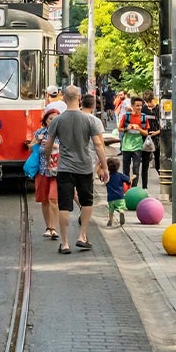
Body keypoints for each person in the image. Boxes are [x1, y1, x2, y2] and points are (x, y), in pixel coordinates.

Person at [44, 86, 108, 255]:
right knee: (87, 202)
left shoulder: (57, 120)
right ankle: (82, 236)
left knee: (64, 204)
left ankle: (64, 243)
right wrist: (105, 166)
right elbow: (98, 145)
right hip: (85, 168)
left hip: (64, 168)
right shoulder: (90, 120)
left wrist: (48, 159)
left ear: (63, 98)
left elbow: (48, 144)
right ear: (79, 98)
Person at [31, 107, 61, 239]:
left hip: (57, 170)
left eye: (56, 118)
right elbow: (30, 147)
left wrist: (55, 146)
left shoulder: (63, 133)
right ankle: (48, 227)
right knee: (44, 200)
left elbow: (68, 149)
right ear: (45, 120)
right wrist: (37, 141)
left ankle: (54, 228)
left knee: (53, 199)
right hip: (42, 170)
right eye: (50, 118)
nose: (53, 121)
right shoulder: (40, 132)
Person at [117, 97, 148, 187]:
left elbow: (146, 133)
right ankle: (126, 188)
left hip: (137, 146)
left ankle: (134, 188)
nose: (139, 108)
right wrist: (127, 128)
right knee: (126, 169)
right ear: (132, 106)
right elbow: (119, 129)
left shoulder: (143, 117)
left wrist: (139, 128)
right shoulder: (126, 116)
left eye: (140, 106)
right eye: (137, 105)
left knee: (136, 169)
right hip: (126, 146)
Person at [142, 92, 162, 178]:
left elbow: (164, 124)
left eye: (149, 102)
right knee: (145, 161)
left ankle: (162, 176)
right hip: (146, 137)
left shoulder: (159, 109)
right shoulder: (144, 109)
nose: (148, 105)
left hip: (157, 137)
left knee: (158, 159)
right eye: (146, 102)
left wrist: (157, 132)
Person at [105, 157, 129, 227]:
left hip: (111, 197)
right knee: (120, 207)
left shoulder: (107, 176)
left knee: (111, 210)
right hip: (120, 196)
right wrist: (132, 178)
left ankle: (110, 220)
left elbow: (103, 180)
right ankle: (121, 211)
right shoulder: (120, 175)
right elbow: (128, 180)